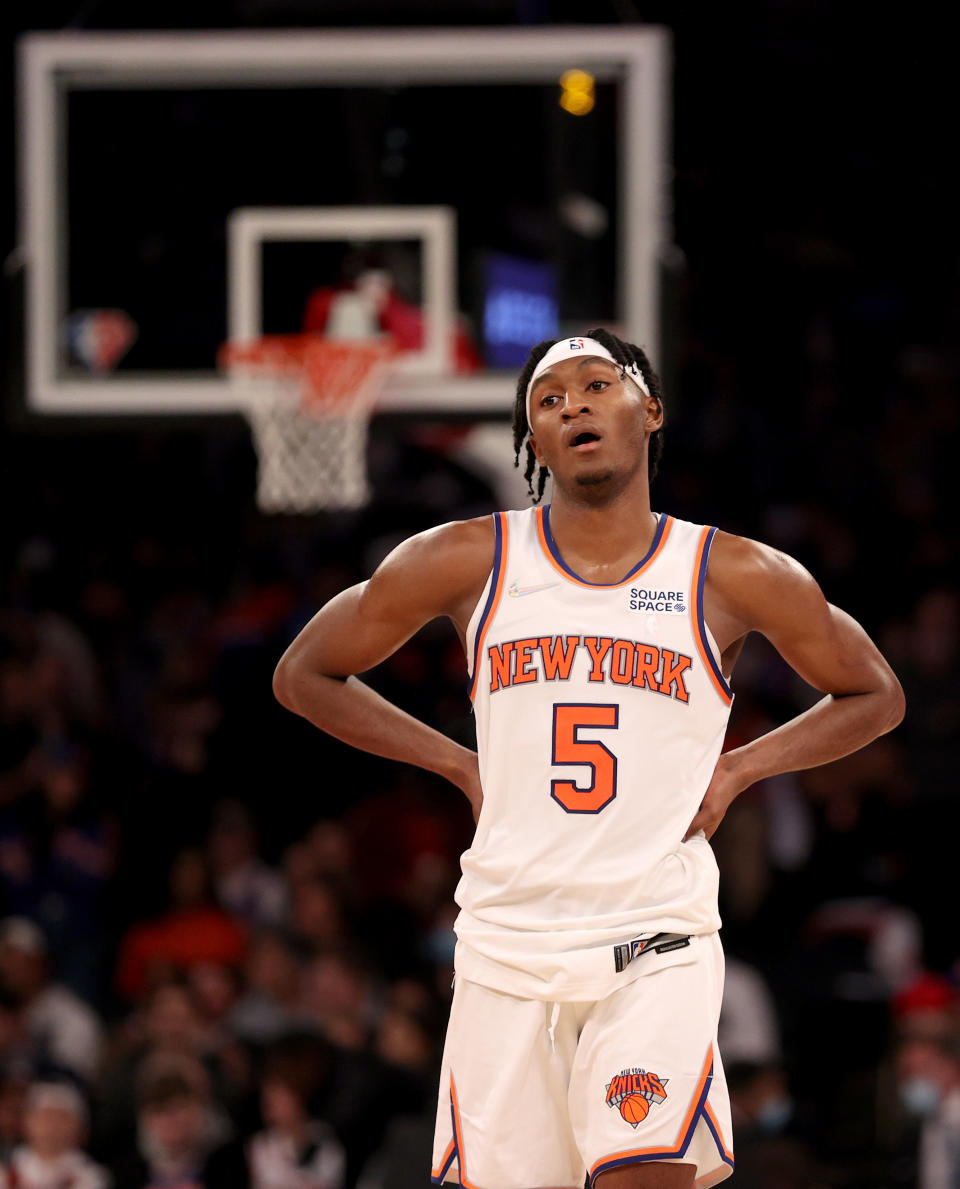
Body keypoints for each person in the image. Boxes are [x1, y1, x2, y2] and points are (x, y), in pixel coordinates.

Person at [272, 330, 905, 1189]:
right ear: (534, 441)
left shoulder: (730, 571)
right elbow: (304, 673)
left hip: (654, 936)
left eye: (595, 384)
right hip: (505, 943)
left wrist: (738, 769)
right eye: (548, 398)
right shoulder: (468, 558)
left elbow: (875, 693)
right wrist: (458, 764)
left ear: (650, 409)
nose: (571, 403)